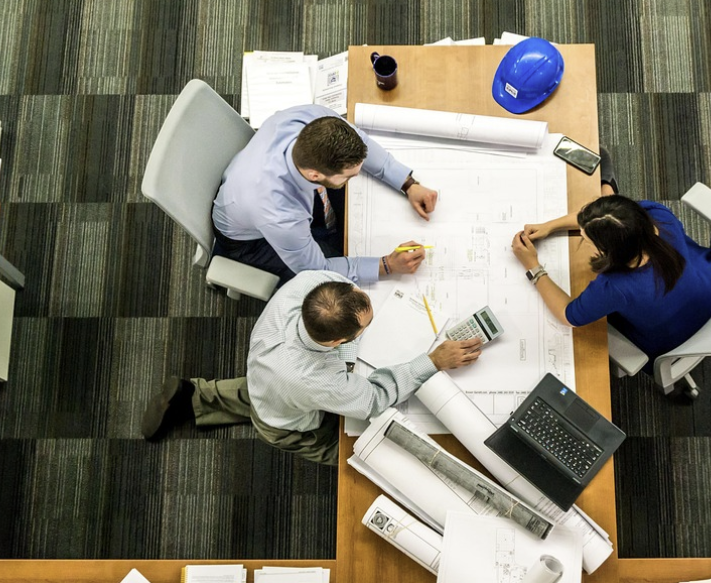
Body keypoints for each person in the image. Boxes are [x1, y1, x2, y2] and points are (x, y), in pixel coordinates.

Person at [141, 270, 482, 465]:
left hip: (266, 375)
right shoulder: (315, 379)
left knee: (263, 391)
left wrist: (348, 352)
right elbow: (374, 399)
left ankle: (193, 395)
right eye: (364, 328)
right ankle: (203, 402)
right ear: (337, 341)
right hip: (286, 422)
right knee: (354, 452)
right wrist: (432, 361)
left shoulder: (311, 284)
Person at [510, 149, 711, 387]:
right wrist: (550, 226)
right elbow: (612, 218)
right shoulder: (657, 215)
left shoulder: (615, 287)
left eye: (587, 240)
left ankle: (607, 186)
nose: (583, 240)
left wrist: (533, 266)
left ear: (609, 253)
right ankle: (608, 188)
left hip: (675, 339)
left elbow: (568, 315)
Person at [212, 104, 439, 285]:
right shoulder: (280, 214)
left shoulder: (312, 118)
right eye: (349, 176)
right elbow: (317, 270)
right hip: (249, 241)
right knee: (335, 274)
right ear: (314, 174)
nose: (356, 177)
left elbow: (361, 142)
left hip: (251, 187)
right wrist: (387, 265)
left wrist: (408, 183)